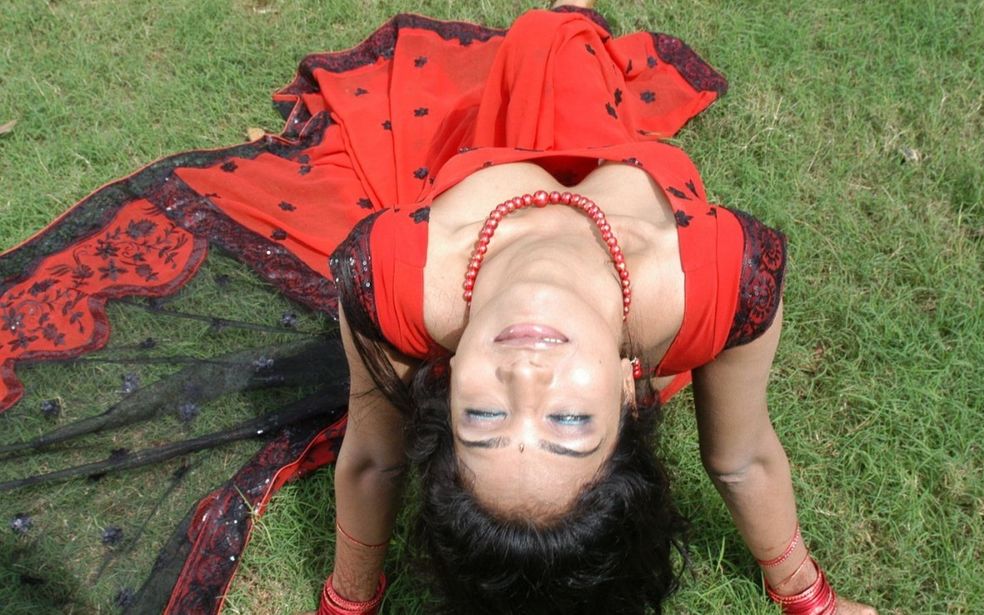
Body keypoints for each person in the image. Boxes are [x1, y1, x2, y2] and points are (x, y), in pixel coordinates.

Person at [0, 2, 876, 614]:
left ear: (447, 382)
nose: (527, 374)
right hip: (617, 176)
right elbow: (741, 458)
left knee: (541, 45)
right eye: (569, 419)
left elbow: (374, 457)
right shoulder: (722, 277)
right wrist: (811, 599)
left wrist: (347, 601)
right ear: (628, 387)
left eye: (486, 417)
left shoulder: (393, 276)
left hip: (486, 166)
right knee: (559, 43)